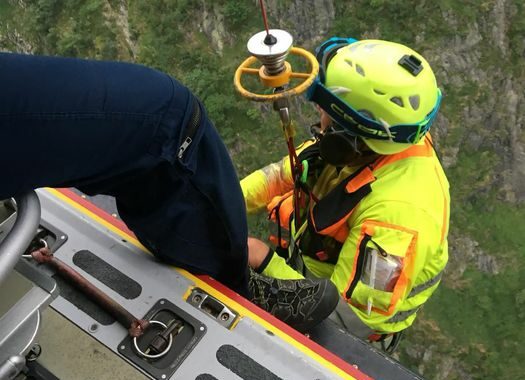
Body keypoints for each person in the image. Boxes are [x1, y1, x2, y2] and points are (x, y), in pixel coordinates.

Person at [0, 51, 339, 329]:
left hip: (317, 270)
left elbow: (361, 313)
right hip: (296, 257)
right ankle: (238, 287)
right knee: (168, 115)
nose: (320, 114)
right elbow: (275, 178)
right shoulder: (325, 157)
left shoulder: (383, 207)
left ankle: (225, 259)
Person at [243, 38, 450, 343]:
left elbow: (343, 325)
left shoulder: (396, 221)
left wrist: (263, 260)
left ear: (352, 132)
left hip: (337, 329)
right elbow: (280, 175)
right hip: (306, 271)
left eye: (327, 107)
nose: (317, 109)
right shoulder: (372, 145)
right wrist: (222, 198)